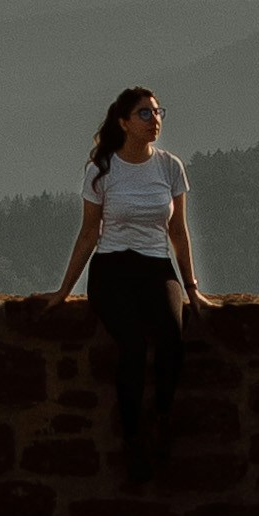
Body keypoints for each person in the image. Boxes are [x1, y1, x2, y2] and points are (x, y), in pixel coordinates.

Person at [52, 82, 207, 488]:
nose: (154, 120)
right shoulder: (102, 170)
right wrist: (65, 290)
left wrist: (191, 288)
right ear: (123, 122)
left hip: (157, 267)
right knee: (133, 345)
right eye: (144, 113)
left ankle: (162, 419)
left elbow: (178, 232)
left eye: (157, 112)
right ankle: (133, 438)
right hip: (113, 270)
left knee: (171, 338)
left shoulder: (170, 167)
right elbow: (89, 233)